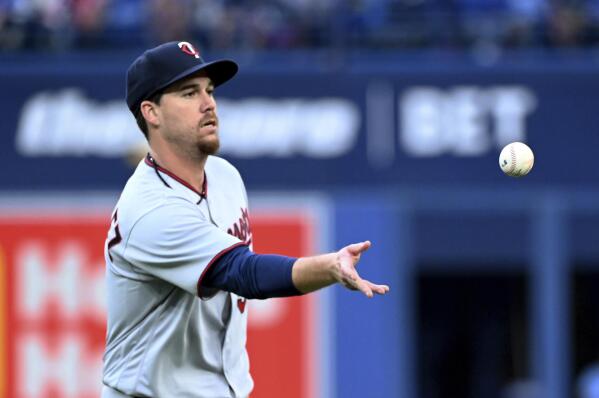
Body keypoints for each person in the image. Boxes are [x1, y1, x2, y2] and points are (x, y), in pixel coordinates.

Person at [101, 40, 389, 398]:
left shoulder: (224, 176)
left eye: (209, 90)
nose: (209, 103)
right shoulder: (149, 211)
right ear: (151, 112)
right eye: (189, 94)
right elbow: (244, 273)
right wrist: (329, 266)